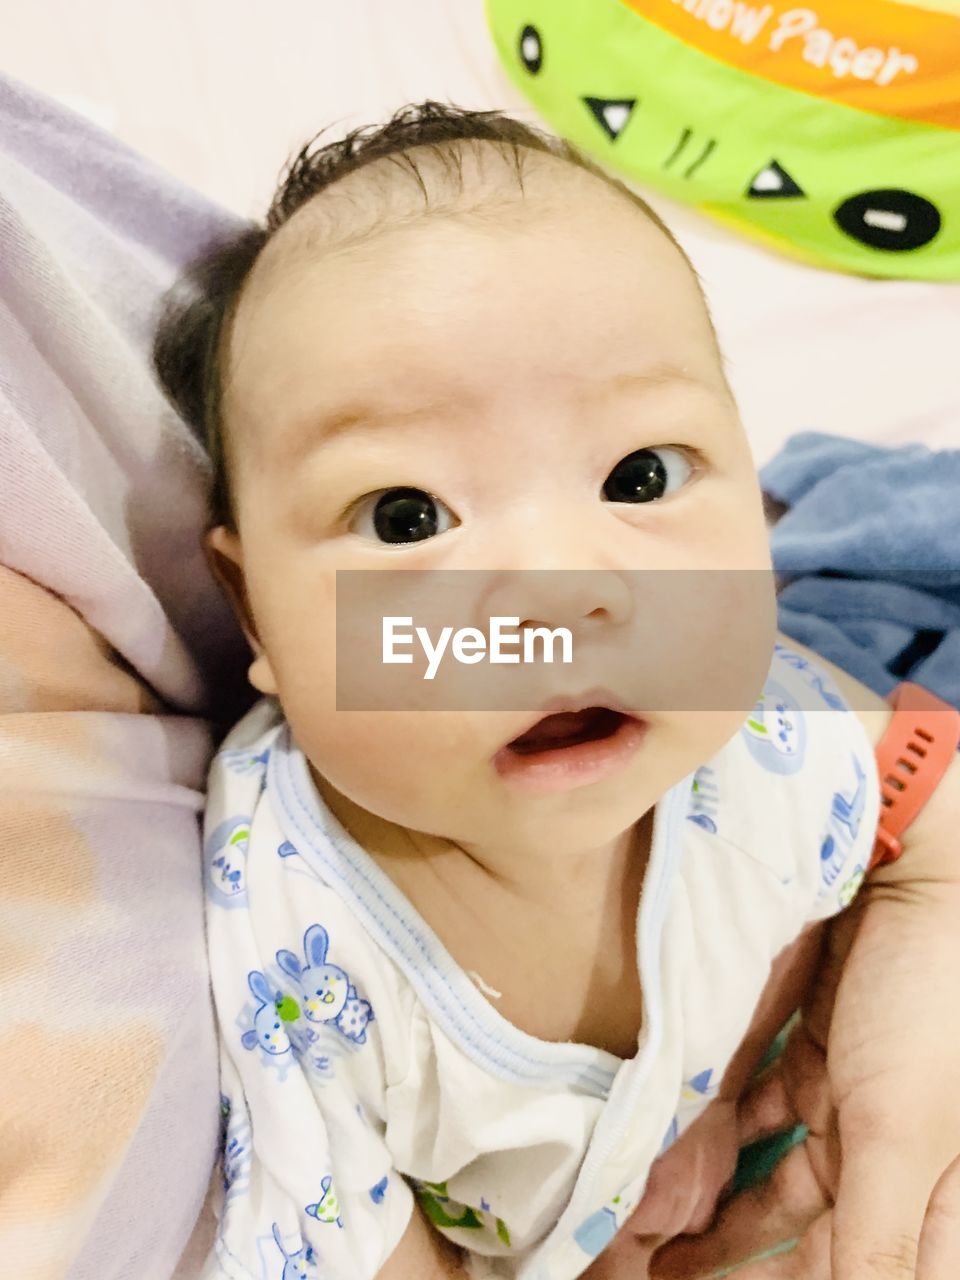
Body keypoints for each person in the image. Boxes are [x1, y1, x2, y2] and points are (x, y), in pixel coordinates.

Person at [152, 103, 960, 1280]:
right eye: (405, 516)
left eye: (640, 475)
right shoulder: (302, 944)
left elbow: (927, 798)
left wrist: (922, 954)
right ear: (255, 610)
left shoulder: (746, 734)